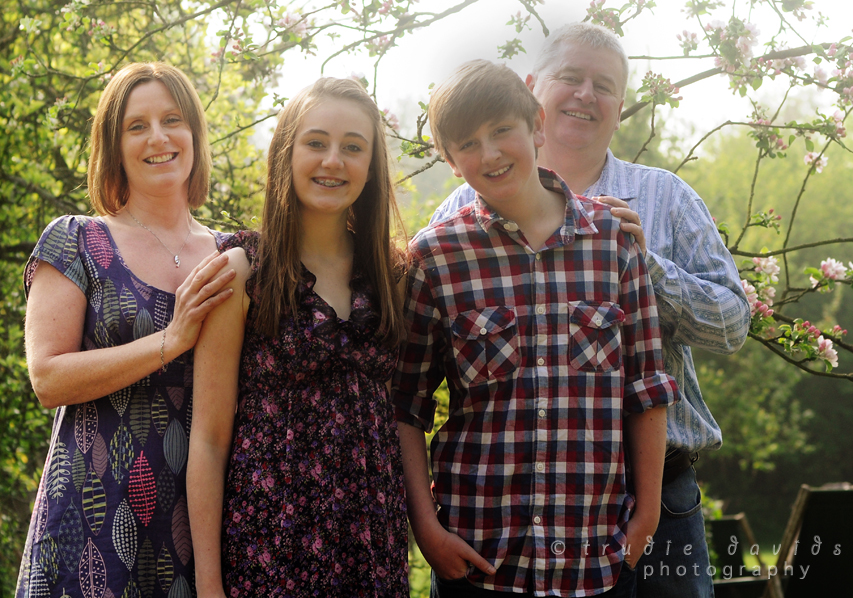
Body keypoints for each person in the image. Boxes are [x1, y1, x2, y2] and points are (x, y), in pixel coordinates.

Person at [430, 23, 751, 597]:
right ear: (534, 92)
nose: (585, 94)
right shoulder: (460, 208)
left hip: (660, 495)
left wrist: (646, 267)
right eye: (570, 78)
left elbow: (732, 326)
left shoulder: (666, 196)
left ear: (620, 108)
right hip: (507, 503)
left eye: (603, 86)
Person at [393, 59, 679, 598]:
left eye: (502, 130)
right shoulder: (435, 259)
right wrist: (427, 529)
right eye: (468, 143)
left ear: (537, 126)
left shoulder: (613, 242)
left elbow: (647, 388)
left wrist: (646, 516)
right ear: (450, 161)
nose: (490, 153)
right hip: (478, 557)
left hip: (597, 556)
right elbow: (406, 405)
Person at [16, 62, 236, 598]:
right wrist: (170, 340)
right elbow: (48, 378)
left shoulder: (233, 257)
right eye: (137, 126)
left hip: (197, 530)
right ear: (114, 146)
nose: (158, 137)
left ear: (194, 134)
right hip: (87, 521)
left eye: (172, 120)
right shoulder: (77, 240)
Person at [187, 77, 409, 597]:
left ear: (371, 166)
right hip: (270, 544)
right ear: (286, 152)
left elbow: (398, 414)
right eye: (316, 142)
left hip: (372, 547)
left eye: (353, 147)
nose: (333, 160)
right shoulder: (243, 270)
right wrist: (208, 584)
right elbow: (210, 439)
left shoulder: (391, 273)